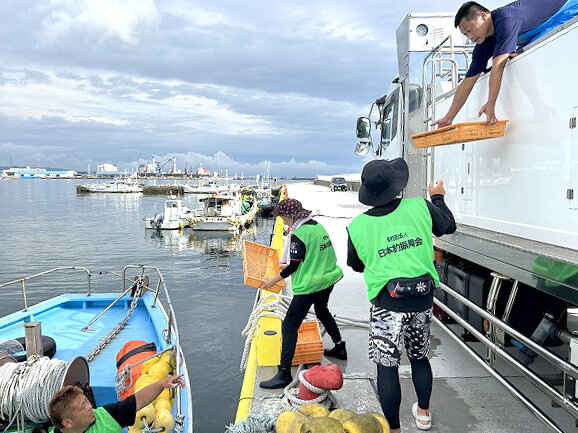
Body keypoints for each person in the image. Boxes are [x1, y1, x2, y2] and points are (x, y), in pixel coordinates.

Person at [347, 158, 456, 432]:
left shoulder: (357, 226)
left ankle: (394, 429)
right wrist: (438, 197)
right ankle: (423, 413)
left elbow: (356, 264)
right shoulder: (421, 206)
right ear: (396, 186)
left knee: (387, 366)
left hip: (386, 305)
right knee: (419, 357)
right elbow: (448, 226)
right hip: (421, 299)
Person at [433, 0, 567, 127]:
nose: (471, 37)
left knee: (510, 56)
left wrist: (491, 103)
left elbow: (498, 65)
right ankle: (540, 108)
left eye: (469, 30)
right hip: (541, 27)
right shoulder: (483, 44)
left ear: (483, 16)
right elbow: (468, 80)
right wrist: (449, 117)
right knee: (514, 55)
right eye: (466, 35)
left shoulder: (506, 19)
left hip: (566, 7)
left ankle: (540, 107)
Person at [259, 198, 346, 389]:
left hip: (310, 285)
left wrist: (273, 280)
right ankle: (340, 346)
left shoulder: (298, 235)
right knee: (322, 311)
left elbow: (294, 265)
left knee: (289, 325)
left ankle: (283, 374)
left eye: (282, 216)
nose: (281, 220)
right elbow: (313, 254)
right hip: (328, 278)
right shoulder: (317, 227)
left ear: (291, 216)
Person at [48, 375, 185, 433]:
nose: (90, 407)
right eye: (83, 407)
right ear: (67, 423)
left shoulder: (107, 415)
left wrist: (162, 383)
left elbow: (139, 400)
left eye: (87, 401)